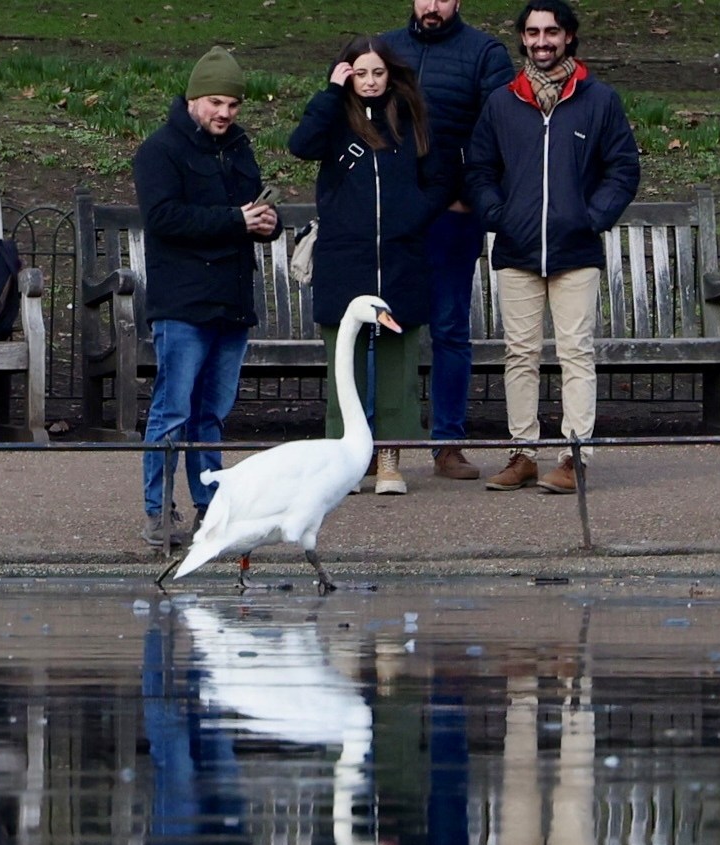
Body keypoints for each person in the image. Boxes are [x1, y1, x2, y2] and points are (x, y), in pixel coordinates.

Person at [465, 0, 640, 494]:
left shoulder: (599, 99)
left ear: (568, 37)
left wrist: (592, 217)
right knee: (519, 353)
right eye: (533, 32)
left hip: (575, 250)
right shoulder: (502, 102)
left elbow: (622, 168)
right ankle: (522, 453)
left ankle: (572, 456)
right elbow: (479, 170)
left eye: (552, 32)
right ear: (522, 38)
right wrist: (498, 215)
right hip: (517, 249)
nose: (542, 41)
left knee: (575, 353)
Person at [133, 46, 281, 547]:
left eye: (233, 105)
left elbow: (250, 207)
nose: (224, 113)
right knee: (172, 412)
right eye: (216, 102)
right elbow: (163, 218)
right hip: (183, 304)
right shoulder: (160, 150)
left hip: (231, 300)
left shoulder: (239, 148)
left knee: (211, 414)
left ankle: (209, 508)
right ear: (194, 99)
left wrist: (266, 223)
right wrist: (237, 220)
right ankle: (156, 511)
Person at [288, 37, 448, 496]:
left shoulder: (411, 115)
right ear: (347, 74)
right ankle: (345, 461)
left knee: (399, 364)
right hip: (345, 256)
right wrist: (330, 93)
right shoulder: (336, 115)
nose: (371, 82)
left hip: (401, 257)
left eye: (378, 73)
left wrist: (412, 215)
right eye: (361, 73)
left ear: (390, 73)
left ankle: (390, 457)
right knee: (345, 363)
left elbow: (438, 178)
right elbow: (302, 145)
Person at [381, 0, 514, 481]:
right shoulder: (384, 49)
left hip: (453, 214)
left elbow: (498, 130)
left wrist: (467, 196)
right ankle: (382, 448)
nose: (432, 5)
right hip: (392, 213)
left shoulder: (484, 53)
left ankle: (448, 443)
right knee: (385, 328)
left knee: (451, 327)